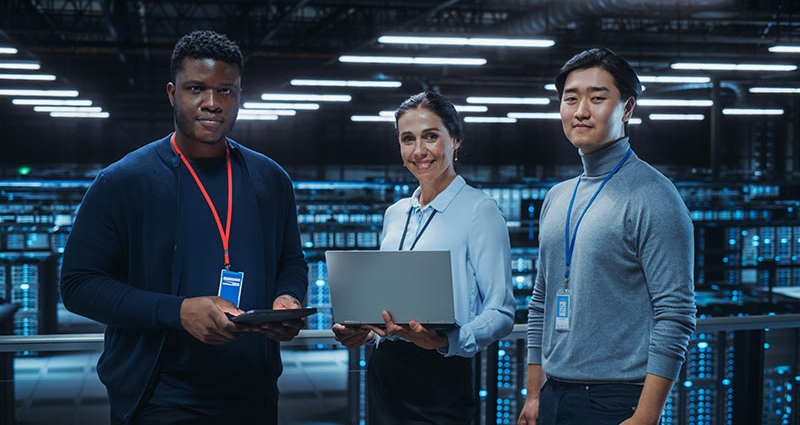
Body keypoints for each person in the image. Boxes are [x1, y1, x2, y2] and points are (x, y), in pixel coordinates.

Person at [60, 30, 308, 424]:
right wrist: (177, 312)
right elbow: (78, 285)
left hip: (253, 393)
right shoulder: (123, 182)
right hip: (160, 398)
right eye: (197, 89)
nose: (213, 103)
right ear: (173, 93)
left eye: (226, 91)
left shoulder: (270, 179)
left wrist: (287, 299)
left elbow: (291, 261)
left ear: (240, 95)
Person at [517, 48, 696, 425]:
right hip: (552, 393)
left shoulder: (654, 196)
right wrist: (534, 393)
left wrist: (646, 417)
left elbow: (675, 314)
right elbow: (540, 302)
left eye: (597, 98)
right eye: (571, 98)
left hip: (616, 401)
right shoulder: (557, 197)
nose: (581, 110)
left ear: (627, 108)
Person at [333, 90, 515, 424]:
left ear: (455, 140)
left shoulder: (480, 211)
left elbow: (501, 311)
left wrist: (446, 341)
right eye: (408, 139)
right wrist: (363, 329)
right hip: (385, 372)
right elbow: (387, 302)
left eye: (431, 137)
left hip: (440, 374)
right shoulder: (395, 213)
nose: (419, 151)